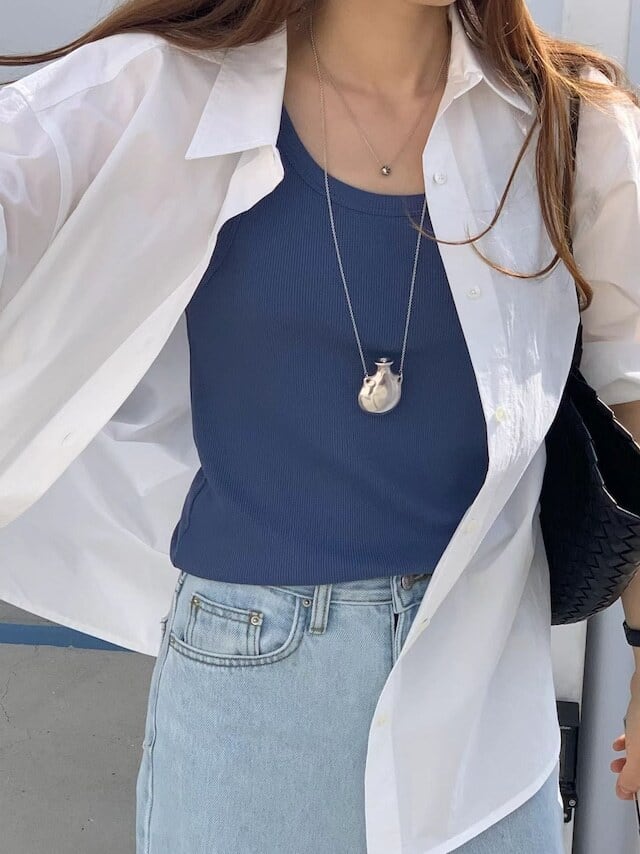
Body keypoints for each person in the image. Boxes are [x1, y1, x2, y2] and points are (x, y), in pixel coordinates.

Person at [1, 0, 640, 851]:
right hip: (252, 687)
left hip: (484, 692)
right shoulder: (165, 89)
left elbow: (630, 399)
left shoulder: (568, 121)